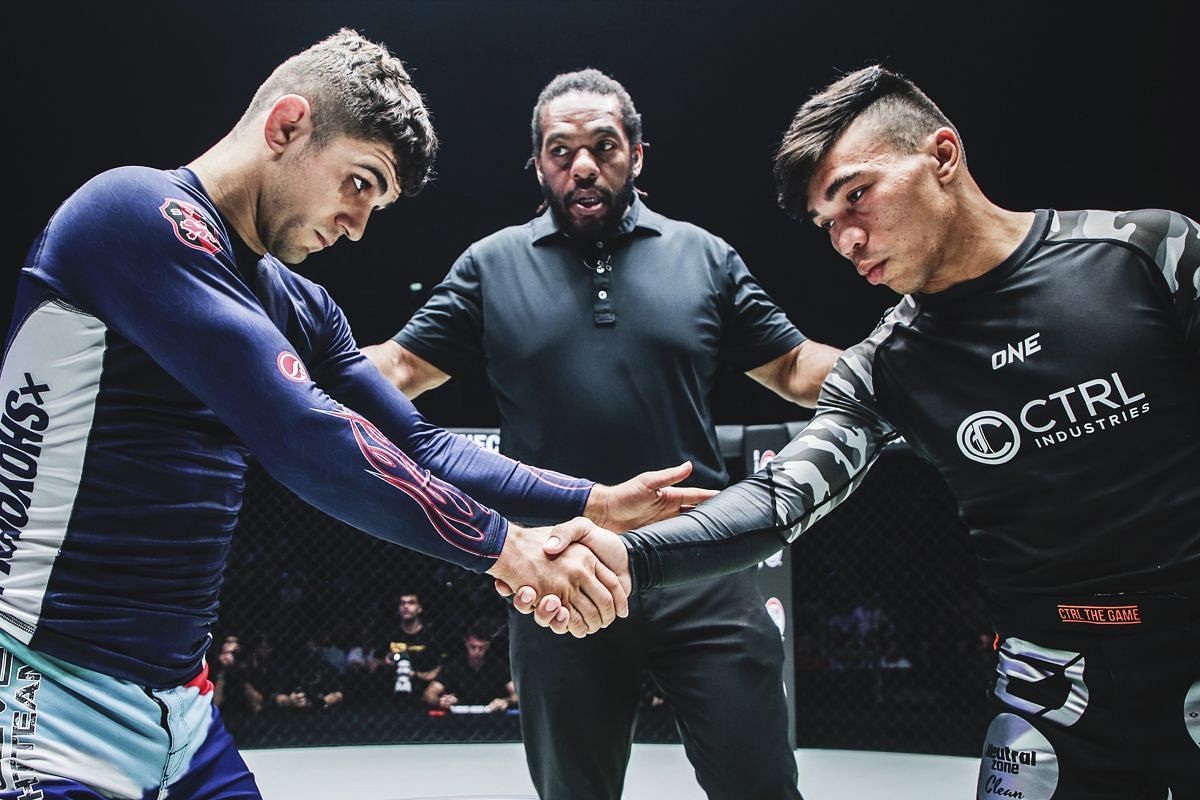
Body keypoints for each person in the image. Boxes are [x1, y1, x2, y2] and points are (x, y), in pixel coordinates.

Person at [0, 30, 708, 800]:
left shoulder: (299, 303)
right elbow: (307, 437)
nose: (360, 223)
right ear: (287, 126)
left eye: (379, 200)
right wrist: (512, 551)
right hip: (42, 693)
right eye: (360, 182)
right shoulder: (133, 214)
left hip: (183, 712)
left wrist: (591, 500)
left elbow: (422, 444)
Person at [537, 65, 1200, 799]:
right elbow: (777, 501)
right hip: (1050, 696)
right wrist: (625, 554)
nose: (847, 238)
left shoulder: (1150, 255)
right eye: (827, 222)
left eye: (857, 195)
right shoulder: (883, 368)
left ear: (942, 156)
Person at [364, 68, 840, 800]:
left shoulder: (703, 257)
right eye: (561, 150)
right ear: (538, 163)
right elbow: (394, 368)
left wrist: (910, 363)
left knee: (762, 785)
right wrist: (262, 363)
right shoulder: (492, 266)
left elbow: (797, 367)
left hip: (701, 567)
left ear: (637, 153)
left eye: (603, 146)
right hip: (561, 571)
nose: (582, 165)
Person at [422, 624, 517, 714]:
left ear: (488, 646)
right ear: (466, 643)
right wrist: (440, 701)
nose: (476, 652)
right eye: (473, 647)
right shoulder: (454, 665)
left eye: (481, 648)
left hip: (492, 716)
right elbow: (428, 694)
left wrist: (506, 701)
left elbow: (518, 695)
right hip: (459, 719)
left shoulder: (497, 665)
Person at [382, 591, 445, 706]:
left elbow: (440, 668)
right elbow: (375, 661)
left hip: (421, 690)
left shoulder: (430, 634)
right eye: (402, 603)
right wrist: (386, 660)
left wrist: (416, 675)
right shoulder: (389, 632)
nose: (405, 606)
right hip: (389, 691)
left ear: (419, 608)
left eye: (411, 603)